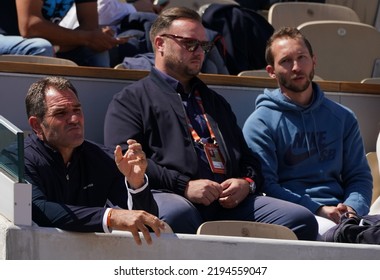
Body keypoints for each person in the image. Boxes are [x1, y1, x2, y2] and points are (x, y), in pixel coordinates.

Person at [104, 7, 318, 240]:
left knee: (300, 220)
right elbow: (126, 159)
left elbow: (250, 160)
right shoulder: (131, 99)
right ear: (160, 43)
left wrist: (246, 183)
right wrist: (184, 186)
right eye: (189, 44)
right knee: (180, 215)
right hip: (170, 195)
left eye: (204, 46)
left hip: (227, 201)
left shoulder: (214, 102)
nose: (199, 52)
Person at [242, 27, 373, 236]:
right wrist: (318, 209)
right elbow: (266, 185)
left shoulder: (343, 117)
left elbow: (359, 176)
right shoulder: (260, 123)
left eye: (302, 57)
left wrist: (352, 208)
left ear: (314, 61)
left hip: (344, 214)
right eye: (285, 61)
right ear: (271, 71)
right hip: (298, 216)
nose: (296, 67)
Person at [24, 76, 166, 245]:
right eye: (61, 113)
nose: (75, 120)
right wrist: (110, 217)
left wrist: (137, 184)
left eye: (77, 110)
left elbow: (147, 227)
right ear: (36, 125)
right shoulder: (19, 159)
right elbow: (37, 209)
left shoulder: (104, 158)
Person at [0, 0, 128, 67]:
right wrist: (87, 38)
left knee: (96, 49)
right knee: (41, 48)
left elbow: (89, 28)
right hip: (6, 38)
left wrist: (94, 39)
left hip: (44, 40)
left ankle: (97, 111)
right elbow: (30, 26)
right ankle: (41, 108)